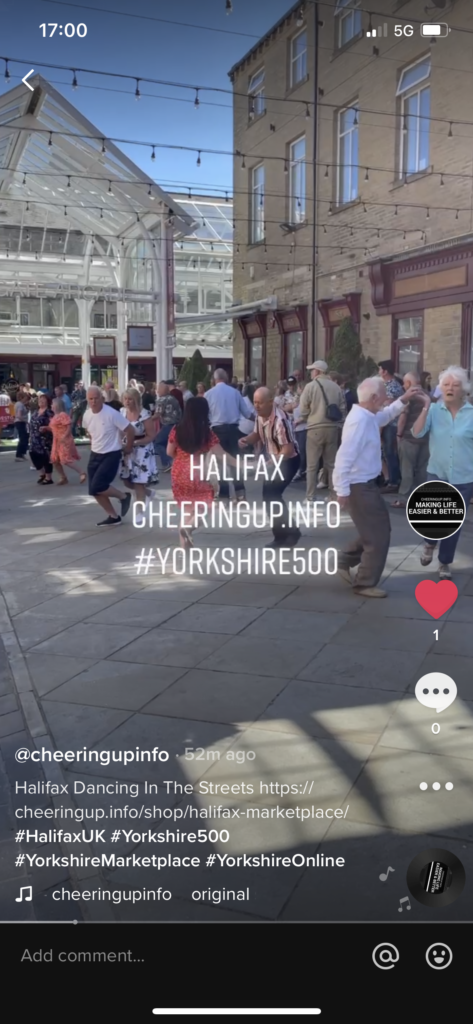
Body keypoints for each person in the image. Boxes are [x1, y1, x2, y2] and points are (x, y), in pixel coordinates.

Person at [333, 376, 421, 598]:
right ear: (373, 397)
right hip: (359, 486)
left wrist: (402, 399)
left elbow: (384, 416)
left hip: (363, 484)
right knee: (378, 535)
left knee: (374, 530)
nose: (385, 399)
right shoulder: (360, 421)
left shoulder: (367, 415)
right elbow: (343, 458)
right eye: (383, 396)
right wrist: (341, 491)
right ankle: (364, 583)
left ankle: (344, 559)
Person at [412, 365, 473, 579]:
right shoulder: (435, 410)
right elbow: (417, 433)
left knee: (452, 524)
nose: (450, 388)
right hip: (437, 473)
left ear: (463, 390)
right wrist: (426, 406)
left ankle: (444, 562)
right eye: (446, 384)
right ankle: (429, 542)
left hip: (464, 478)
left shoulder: (471, 414)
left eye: (455, 385)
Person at [167, 397, 235, 548]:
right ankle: (189, 528)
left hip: (179, 473)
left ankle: (186, 553)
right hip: (198, 473)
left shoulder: (176, 430)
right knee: (204, 509)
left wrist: (182, 459)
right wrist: (242, 464)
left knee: (187, 512)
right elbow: (222, 454)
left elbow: (169, 452)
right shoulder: (207, 433)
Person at [239, 386, 301, 548]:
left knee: (272, 495)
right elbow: (257, 435)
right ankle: (282, 535)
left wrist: (271, 464)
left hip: (288, 461)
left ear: (270, 402)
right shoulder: (260, 417)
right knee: (269, 497)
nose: (256, 406)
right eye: (255, 402)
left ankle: (289, 533)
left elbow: (287, 450)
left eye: (260, 403)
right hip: (274, 460)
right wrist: (246, 440)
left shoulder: (281, 420)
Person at [82, 385, 135, 526]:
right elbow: (90, 432)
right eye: (90, 399)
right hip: (95, 454)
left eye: (96, 398)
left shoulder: (111, 413)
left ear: (102, 398)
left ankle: (124, 496)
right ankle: (113, 516)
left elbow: (130, 430)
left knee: (99, 485)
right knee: (94, 490)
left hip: (111, 454)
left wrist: (128, 448)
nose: (93, 401)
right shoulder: (87, 415)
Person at [298, 360, 345, 499]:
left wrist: (307, 416)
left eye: (312, 370)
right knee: (331, 464)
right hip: (332, 428)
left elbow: (303, 409)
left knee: (312, 465)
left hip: (314, 428)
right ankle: (333, 494)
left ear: (317, 371)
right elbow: (342, 408)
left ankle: (310, 496)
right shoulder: (336, 387)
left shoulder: (310, 386)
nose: (311, 373)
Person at [204, 368, 252, 503]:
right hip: (232, 431)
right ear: (226, 378)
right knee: (235, 462)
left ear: (214, 379)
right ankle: (240, 494)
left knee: (219, 463)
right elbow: (247, 414)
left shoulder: (208, 394)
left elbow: (205, 415)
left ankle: (224, 494)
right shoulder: (235, 393)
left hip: (216, 431)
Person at [391, 372, 429, 509]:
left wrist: (399, 435)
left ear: (408, 383)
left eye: (404, 382)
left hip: (409, 438)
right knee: (422, 470)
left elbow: (403, 418)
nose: (403, 385)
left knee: (406, 469)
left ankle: (403, 498)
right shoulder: (429, 396)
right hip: (426, 439)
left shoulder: (409, 396)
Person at [119, 387, 157, 526]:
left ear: (136, 400)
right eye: (125, 399)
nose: (127, 402)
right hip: (127, 449)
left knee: (138, 481)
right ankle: (148, 492)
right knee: (127, 481)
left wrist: (136, 443)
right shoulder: (121, 412)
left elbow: (152, 435)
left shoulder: (144, 414)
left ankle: (139, 512)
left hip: (142, 450)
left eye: (130, 399)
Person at [378, 360, 404, 492]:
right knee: (385, 453)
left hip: (390, 424)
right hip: (386, 423)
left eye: (380, 369)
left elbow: (386, 406)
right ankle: (389, 478)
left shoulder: (392, 386)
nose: (378, 371)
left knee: (389, 453)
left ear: (385, 371)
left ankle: (394, 481)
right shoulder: (387, 384)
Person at [46, 397, 86, 485]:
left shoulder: (62, 414)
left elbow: (68, 426)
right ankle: (63, 477)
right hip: (56, 441)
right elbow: (53, 428)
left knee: (65, 459)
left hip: (64, 440)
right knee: (55, 460)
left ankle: (82, 472)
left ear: (57, 405)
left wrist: (64, 436)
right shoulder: (54, 417)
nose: (51, 406)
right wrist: (45, 428)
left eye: (53, 404)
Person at [152, 381, 182, 472]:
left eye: (158, 389)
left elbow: (158, 414)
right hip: (177, 424)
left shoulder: (161, 400)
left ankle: (167, 462)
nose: (157, 391)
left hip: (168, 425)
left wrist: (147, 420)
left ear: (162, 390)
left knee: (157, 443)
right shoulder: (173, 399)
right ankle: (172, 463)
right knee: (167, 444)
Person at [29, 393, 54, 484]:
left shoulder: (49, 412)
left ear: (47, 402)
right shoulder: (35, 412)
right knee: (32, 453)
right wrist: (30, 436)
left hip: (45, 438)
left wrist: (46, 428)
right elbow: (31, 425)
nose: (41, 401)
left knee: (46, 457)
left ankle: (48, 478)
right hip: (34, 437)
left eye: (43, 400)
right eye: (40, 400)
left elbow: (53, 425)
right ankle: (42, 474)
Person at [14, 389, 29, 462]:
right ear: (22, 397)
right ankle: (19, 455)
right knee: (23, 438)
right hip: (20, 422)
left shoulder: (18, 404)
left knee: (25, 437)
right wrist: (26, 421)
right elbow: (19, 415)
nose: (26, 399)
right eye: (25, 397)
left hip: (19, 422)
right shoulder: (20, 405)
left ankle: (22, 453)